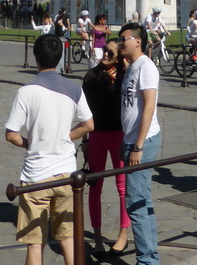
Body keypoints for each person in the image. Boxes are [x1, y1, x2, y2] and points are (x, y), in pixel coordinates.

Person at [5, 33, 93, 265]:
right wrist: (67, 136)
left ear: (36, 58)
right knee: (68, 238)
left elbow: (11, 135)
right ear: (59, 57)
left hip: (36, 176)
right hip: (67, 174)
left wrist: (28, 143)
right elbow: (88, 125)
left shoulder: (26, 92)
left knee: (35, 243)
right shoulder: (74, 89)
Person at [82, 38, 130, 257]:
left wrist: (126, 68)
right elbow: (85, 111)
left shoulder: (124, 75)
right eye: (105, 51)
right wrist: (85, 140)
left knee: (123, 187)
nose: (106, 54)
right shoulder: (91, 76)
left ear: (119, 56)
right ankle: (98, 236)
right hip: (97, 134)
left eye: (111, 52)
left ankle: (123, 234)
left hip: (119, 134)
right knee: (95, 186)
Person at [118, 23, 161, 265]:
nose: (120, 42)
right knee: (141, 200)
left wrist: (138, 145)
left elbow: (148, 107)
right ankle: (150, 256)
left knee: (135, 203)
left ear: (138, 41)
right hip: (131, 140)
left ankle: (147, 261)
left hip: (141, 142)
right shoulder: (133, 66)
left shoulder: (146, 67)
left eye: (124, 39)